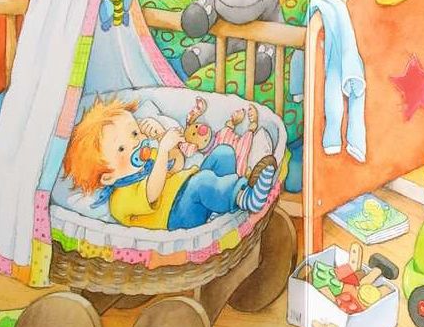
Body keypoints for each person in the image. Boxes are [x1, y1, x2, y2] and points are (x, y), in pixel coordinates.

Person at [63, 97, 276, 230]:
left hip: (186, 189)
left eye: (135, 133)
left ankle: (220, 205)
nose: (136, 142)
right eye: (121, 148)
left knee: (223, 152)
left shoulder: (149, 159)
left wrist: (162, 138)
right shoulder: (120, 199)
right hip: (177, 217)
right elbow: (152, 192)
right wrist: (163, 150)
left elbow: (178, 164)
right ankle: (245, 198)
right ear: (108, 176)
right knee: (202, 182)